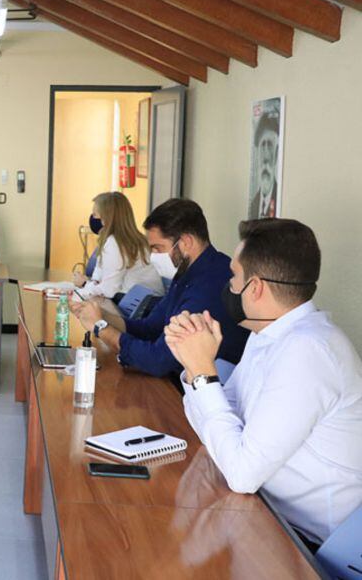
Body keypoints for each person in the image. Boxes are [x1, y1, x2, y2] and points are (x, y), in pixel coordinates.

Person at [163, 218, 362, 547]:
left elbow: (241, 472)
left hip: (309, 546)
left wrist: (201, 371)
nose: (228, 285)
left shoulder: (309, 350)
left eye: (234, 276)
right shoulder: (269, 333)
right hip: (263, 512)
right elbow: (224, 423)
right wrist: (193, 364)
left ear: (255, 288)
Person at [71, 198, 247, 378]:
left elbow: (158, 360)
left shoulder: (211, 283)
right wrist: (101, 315)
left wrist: (101, 327)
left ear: (186, 242)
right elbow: (150, 328)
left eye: (157, 248)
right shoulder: (185, 274)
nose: (152, 256)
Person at [73, 192, 164, 300]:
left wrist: (84, 284)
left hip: (133, 305)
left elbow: (108, 291)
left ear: (106, 217)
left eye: (95, 214)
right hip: (141, 301)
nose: (92, 218)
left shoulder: (115, 242)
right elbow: (101, 274)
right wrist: (92, 283)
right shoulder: (130, 238)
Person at [248, 111, 279, 219]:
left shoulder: (279, 198)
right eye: (263, 145)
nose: (265, 156)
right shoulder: (253, 205)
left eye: (270, 145)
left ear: (277, 152)